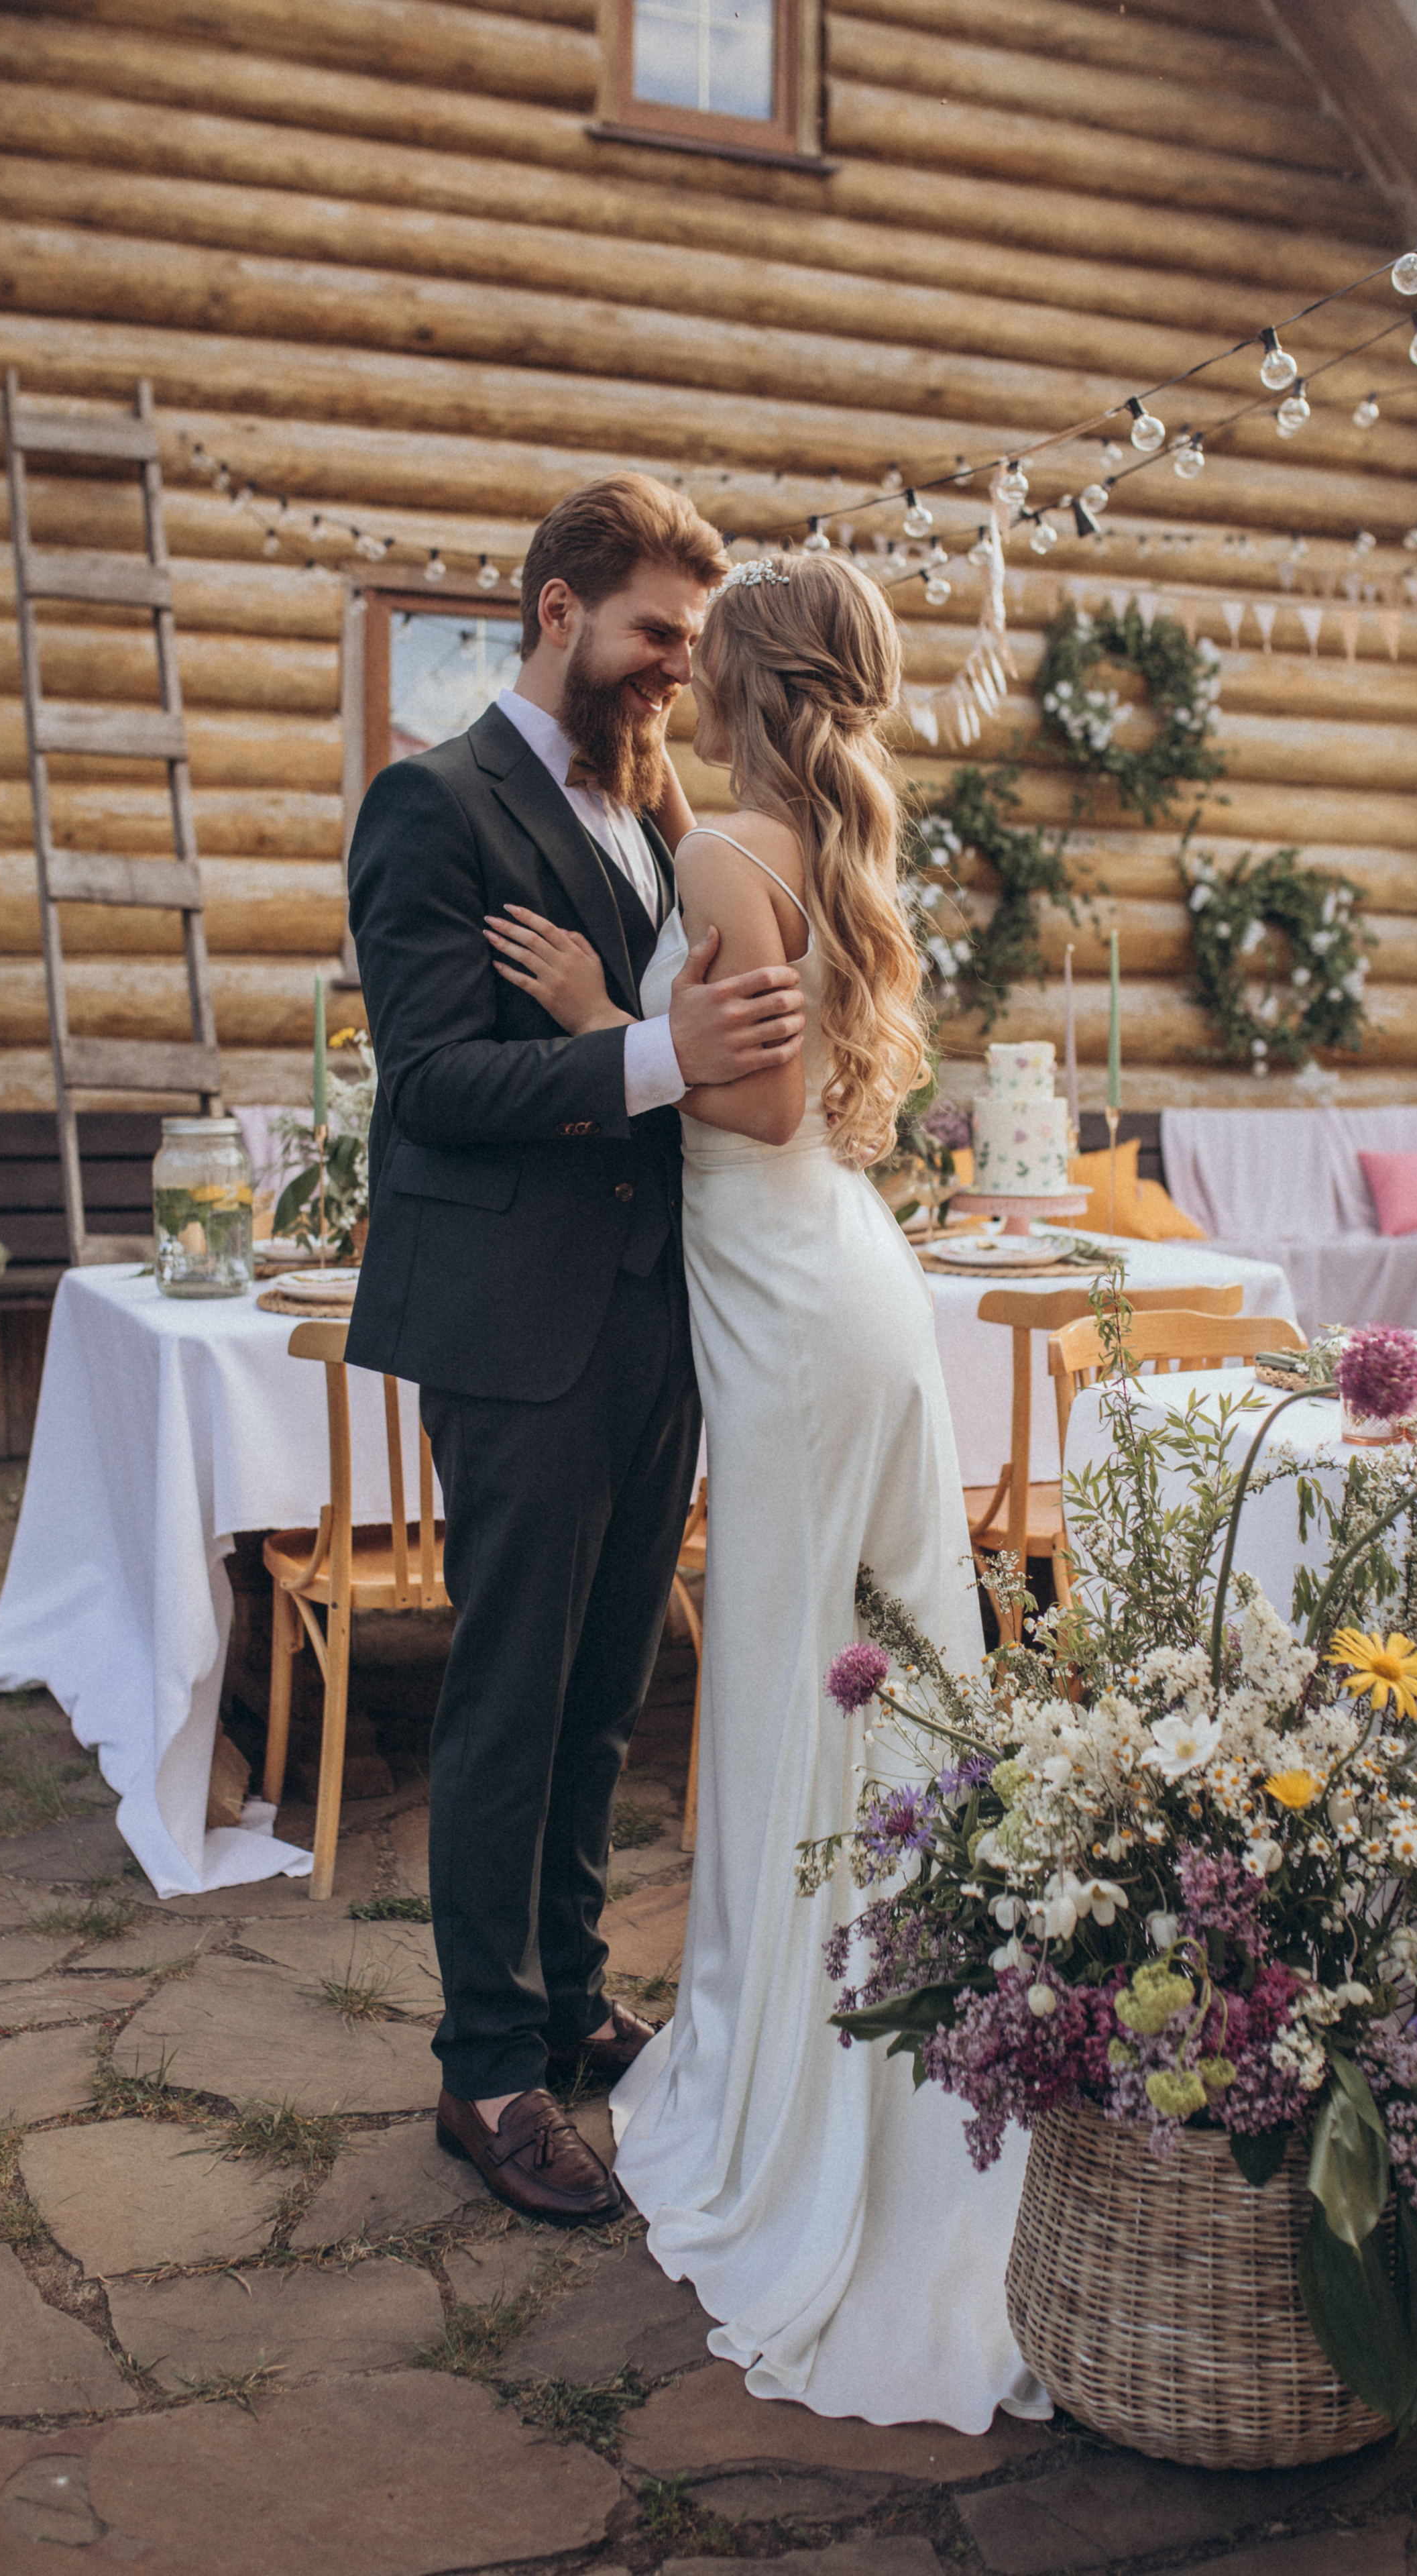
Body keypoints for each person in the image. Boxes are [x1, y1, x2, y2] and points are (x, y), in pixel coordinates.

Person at [486, 549, 1047, 2432]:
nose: (685, 672)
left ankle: (810, 2098)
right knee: (867, 1684)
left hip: (795, 1302)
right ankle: (886, 2048)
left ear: (750, 679)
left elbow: (756, 1103)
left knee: (802, 1678)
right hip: (834, 1277)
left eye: (703, 652)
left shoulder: (734, 854)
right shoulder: (800, 843)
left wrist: (597, 1009)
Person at [345, 474, 806, 2229]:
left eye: (691, 640)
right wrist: (654, 1056)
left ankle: (564, 1998)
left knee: (607, 1687)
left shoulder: (650, 809)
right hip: (514, 1319)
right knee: (509, 1697)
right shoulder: (432, 803)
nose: (678, 667)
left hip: (653, 1314)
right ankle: (485, 2069)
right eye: (654, 634)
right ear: (557, 612)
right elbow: (432, 1082)